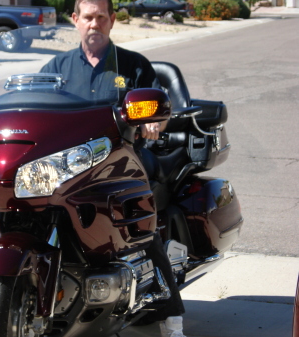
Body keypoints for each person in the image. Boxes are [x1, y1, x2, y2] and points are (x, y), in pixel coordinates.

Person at [41, 0, 187, 336]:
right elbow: (35, 110)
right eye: (87, 17)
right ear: (75, 20)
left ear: (112, 21)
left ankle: (171, 317)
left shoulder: (134, 66)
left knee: (138, 222)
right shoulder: (56, 67)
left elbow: (158, 111)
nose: (94, 24)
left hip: (122, 158)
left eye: (101, 17)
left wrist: (154, 124)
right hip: (69, 164)